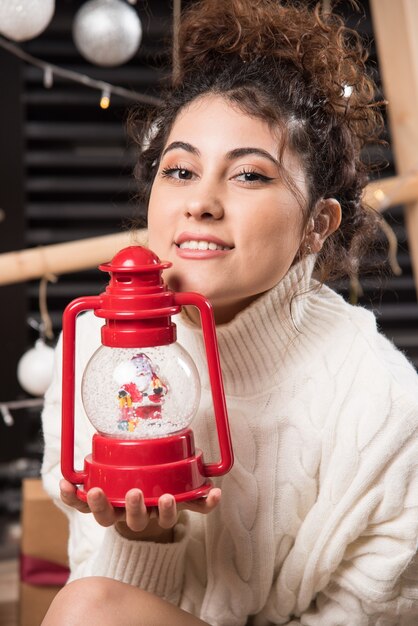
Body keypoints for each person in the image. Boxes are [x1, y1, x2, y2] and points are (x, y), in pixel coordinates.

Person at [41, 1, 418, 624]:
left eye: (248, 176)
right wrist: (145, 539)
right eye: (181, 170)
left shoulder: (384, 407)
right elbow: (107, 589)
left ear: (318, 224)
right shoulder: (99, 353)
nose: (201, 204)